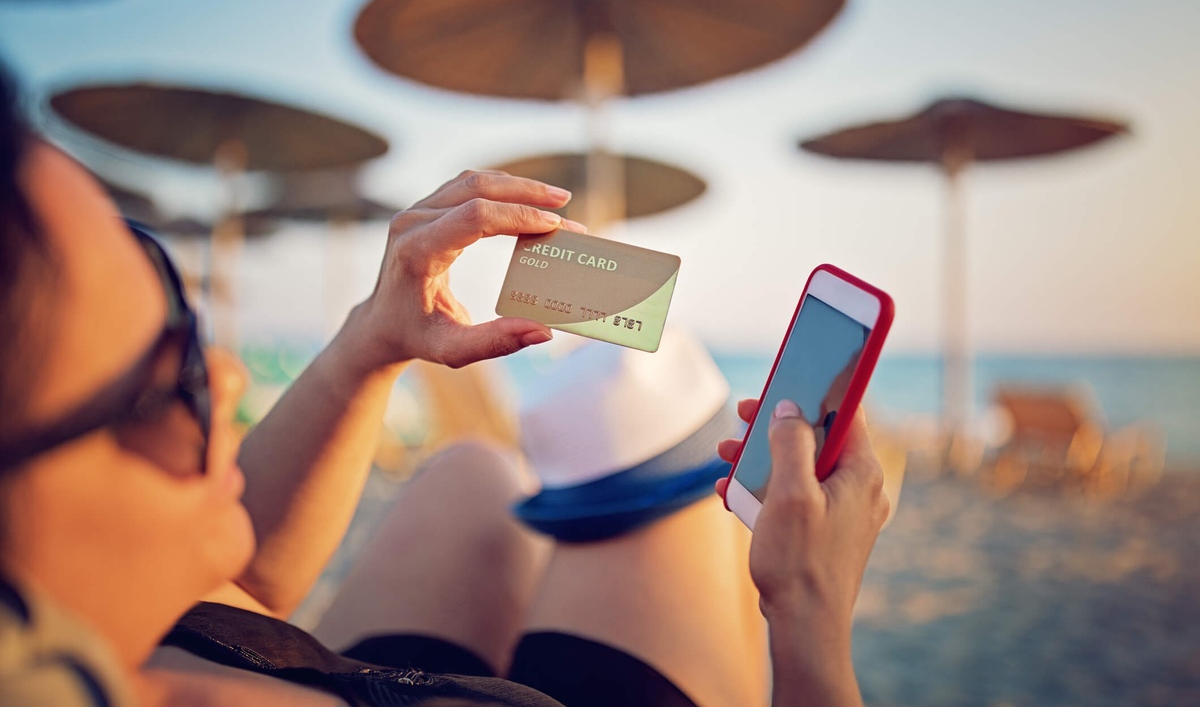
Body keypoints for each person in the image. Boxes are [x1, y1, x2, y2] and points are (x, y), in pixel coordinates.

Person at [0, 65, 890, 707]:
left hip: (319, 663)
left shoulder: (85, 614)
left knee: (474, 470)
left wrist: (367, 344)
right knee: (686, 497)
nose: (227, 373)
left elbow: (240, 584)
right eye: (169, 385)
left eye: (178, 314)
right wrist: (810, 630)